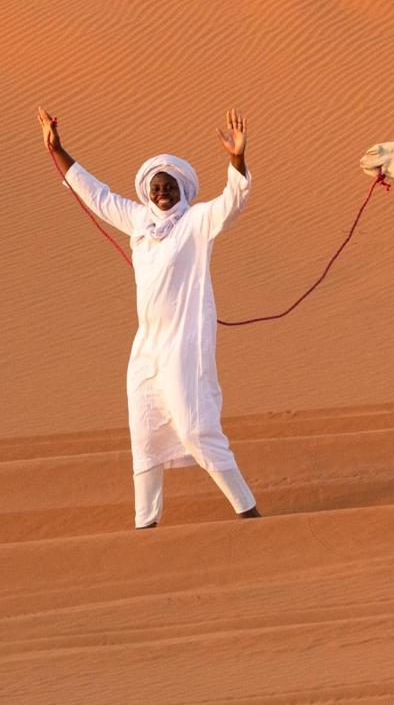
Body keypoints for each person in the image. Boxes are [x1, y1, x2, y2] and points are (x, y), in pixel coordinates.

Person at [37, 106, 261, 528]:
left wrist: (236, 160)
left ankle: (249, 512)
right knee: (144, 434)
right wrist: (58, 148)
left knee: (195, 429)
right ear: (147, 191)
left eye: (170, 186)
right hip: (147, 348)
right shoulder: (139, 221)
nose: (163, 192)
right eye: (157, 186)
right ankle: (145, 526)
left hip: (184, 344)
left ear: (182, 190)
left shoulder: (195, 222)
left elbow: (232, 202)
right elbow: (96, 194)